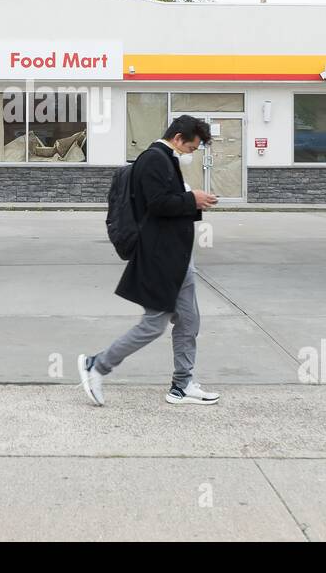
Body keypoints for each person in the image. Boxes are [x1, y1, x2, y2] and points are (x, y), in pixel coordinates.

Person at [78, 115, 220, 406]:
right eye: (191, 148)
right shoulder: (154, 159)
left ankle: (182, 385)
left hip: (178, 257)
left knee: (189, 321)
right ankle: (97, 365)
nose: (190, 154)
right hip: (160, 257)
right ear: (178, 138)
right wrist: (192, 198)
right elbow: (156, 204)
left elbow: (167, 201)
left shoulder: (165, 158)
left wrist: (192, 201)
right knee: (154, 324)